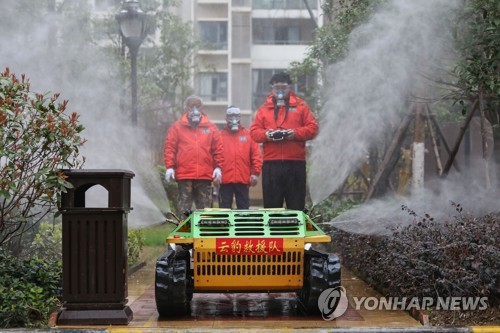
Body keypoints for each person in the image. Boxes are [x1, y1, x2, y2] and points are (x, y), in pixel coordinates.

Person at [250, 72, 318, 210]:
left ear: (290, 87)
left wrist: (294, 134)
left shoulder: (301, 106)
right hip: (271, 164)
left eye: (284, 87)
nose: (280, 91)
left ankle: (297, 231)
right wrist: (268, 135)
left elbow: (313, 129)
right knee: (272, 206)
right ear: (272, 89)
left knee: (296, 205)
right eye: (277, 88)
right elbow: (254, 132)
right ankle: (273, 232)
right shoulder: (264, 109)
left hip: (295, 163)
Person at [163, 95, 224, 214]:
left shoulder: (211, 128)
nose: (195, 109)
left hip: (204, 176)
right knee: (184, 211)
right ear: (186, 108)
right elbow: (170, 148)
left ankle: (204, 233)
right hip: (184, 176)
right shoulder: (177, 127)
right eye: (191, 106)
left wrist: (218, 167)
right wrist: (170, 167)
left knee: (205, 212)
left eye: (198, 106)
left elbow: (218, 149)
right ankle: (183, 232)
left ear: (202, 108)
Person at [219, 106, 263, 209]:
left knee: (243, 209)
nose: (233, 119)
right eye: (230, 116)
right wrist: (216, 172)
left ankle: (242, 225)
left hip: (243, 179)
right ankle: (225, 226)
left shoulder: (248, 135)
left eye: (236, 116)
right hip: (225, 180)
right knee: (224, 209)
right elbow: (215, 156)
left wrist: (255, 173)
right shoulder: (219, 136)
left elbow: (256, 155)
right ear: (226, 119)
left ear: (240, 118)